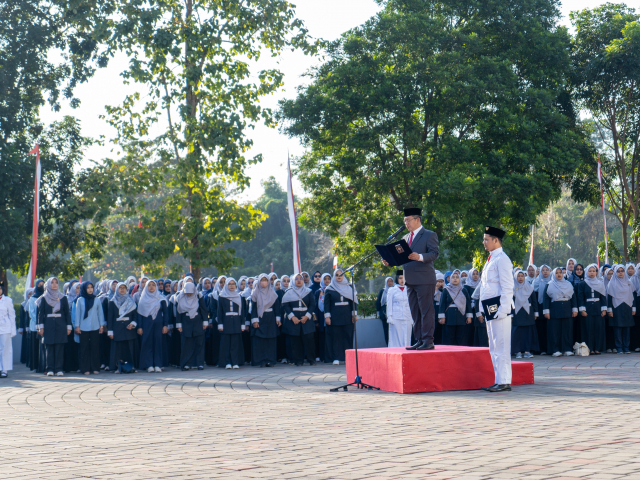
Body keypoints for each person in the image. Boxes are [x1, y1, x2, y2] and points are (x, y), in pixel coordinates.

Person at [382, 207, 439, 350]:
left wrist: (419, 257)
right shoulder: (405, 238)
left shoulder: (429, 235)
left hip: (425, 279)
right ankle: (419, 339)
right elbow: (401, 259)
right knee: (414, 311)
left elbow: (434, 254)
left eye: (408, 220)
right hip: (410, 280)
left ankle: (428, 340)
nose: (406, 224)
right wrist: (390, 261)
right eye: (404, 221)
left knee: (426, 310)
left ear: (417, 219)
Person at [479, 226, 514, 393]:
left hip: (499, 309)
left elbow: (507, 287)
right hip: (490, 308)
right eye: (484, 239)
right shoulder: (491, 259)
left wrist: (504, 308)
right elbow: (485, 286)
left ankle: (504, 380)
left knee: (501, 346)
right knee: (493, 346)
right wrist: (481, 306)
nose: (484, 242)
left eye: (487, 239)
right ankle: (498, 379)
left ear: (496, 240)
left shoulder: (503, 259)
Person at [37, 277, 72, 376]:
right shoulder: (44, 298)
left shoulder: (63, 297)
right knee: (49, 348)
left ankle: (59, 369)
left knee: (59, 348)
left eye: (56, 282)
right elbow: (41, 314)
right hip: (48, 325)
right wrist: (41, 327)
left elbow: (67, 313)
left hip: (61, 325)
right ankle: (50, 369)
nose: (54, 284)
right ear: (48, 285)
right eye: (52, 283)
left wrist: (68, 327)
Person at [323, 269, 358, 365]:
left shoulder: (349, 287)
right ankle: (337, 358)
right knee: (336, 338)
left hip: (347, 316)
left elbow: (353, 302)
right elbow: (326, 305)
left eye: (341, 274)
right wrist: (327, 317)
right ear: (334, 276)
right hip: (335, 317)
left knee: (348, 336)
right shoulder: (329, 288)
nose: (339, 276)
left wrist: (354, 314)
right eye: (337, 274)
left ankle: (348, 357)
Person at [282, 273, 316, 365]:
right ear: (293, 280)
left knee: (309, 340)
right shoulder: (288, 292)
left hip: (306, 319)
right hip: (294, 320)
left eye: (300, 278)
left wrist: (307, 316)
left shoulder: (308, 291)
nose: (299, 280)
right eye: (296, 279)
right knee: (295, 341)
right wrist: (292, 317)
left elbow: (312, 304)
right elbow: (285, 305)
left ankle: (311, 360)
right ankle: (298, 360)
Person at [543, 267, 578, 357]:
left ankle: (568, 349)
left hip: (567, 308)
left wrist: (575, 309)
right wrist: (546, 311)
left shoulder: (568, 284)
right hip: (555, 309)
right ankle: (555, 349)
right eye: (557, 273)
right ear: (554, 274)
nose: (559, 274)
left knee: (568, 330)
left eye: (560, 273)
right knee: (555, 331)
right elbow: (546, 298)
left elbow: (573, 297)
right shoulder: (550, 284)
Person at [74, 281, 107, 375]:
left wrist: (101, 326)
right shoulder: (80, 300)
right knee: (84, 348)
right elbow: (77, 314)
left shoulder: (96, 299)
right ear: (84, 289)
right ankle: (85, 369)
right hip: (83, 327)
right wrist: (77, 326)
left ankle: (95, 368)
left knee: (95, 348)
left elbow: (100, 313)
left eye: (91, 287)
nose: (90, 289)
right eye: (88, 287)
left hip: (95, 326)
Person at [250, 274, 281, 367]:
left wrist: (278, 319)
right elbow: (254, 308)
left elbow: (277, 308)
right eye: (262, 280)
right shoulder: (255, 293)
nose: (264, 282)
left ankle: (270, 360)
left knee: (270, 339)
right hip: (260, 318)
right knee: (260, 340)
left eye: (265, 280)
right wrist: (255, 320)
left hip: (271, 318)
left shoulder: (273, 293)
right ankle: (260, 360)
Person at [137, 280, 168, 373]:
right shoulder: (142, 300)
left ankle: (158, 364)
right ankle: (149, 364)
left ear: (156, 287)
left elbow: (166, 313)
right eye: (149, 285)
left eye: (153, 285)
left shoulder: (161, 298)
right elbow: (139, 314)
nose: (151, 287)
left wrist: (165, 325)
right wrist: (139, 327)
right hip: (146, 324)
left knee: (158, 343)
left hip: (158, 324)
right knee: (147, 343)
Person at [176, 282, 208, 370]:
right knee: (187, 344)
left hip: (198, 322)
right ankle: (186, 363)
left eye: (191, 292)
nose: (189, 294)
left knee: (199, 343)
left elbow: (204, 310)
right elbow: (178, 312)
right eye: (187, 292)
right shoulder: (180, 297)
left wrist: (205, 322)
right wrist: (179, 325)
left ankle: (199, 363)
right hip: (186, 323)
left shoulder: (199, 296)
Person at [108, 282, 139, 373]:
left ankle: (130, 366)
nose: (122, 289)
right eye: (120, 287)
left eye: (124, 288)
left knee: (129, 349)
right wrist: (110, 331)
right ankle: (118, 367)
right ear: (117, 289)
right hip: (117, 329)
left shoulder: (131, 301)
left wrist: (133, 324)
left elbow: (135, 316)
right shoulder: (112, 302)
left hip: (128, 329)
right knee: (118, 349)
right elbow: (110, 318)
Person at [607, 264, 636, 354]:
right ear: (615, 272)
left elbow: (633, 296)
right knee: (618, 328)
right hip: (616, 307)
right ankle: (619, 347)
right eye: (618, 271)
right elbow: (609, 297)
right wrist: (610, 309)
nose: (620, 273)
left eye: (622, 271)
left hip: (627, 307)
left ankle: (626, 347)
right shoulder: (612, 283)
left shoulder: (629, 282)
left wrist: (633, 308)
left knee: (627, 328)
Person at [578, 264, 607, 355]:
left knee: (598, 328)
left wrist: (604, 309)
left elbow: (603, 297)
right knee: (588, 328)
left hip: (598, 308)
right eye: (590, 271)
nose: (592, 273)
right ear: (587, 272)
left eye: (593, 271)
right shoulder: (583, 283)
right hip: (588, 308)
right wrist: (582, 310)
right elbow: (580, 297)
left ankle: (597, 348)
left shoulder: (600, 283)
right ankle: (589, 348)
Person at [438, 270, 473, 346]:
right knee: (449, 339)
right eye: (453, 277)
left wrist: (469, 317)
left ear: (459, 279)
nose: (455, 279)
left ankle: (461, 356)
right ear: (450, 279)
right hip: (449, 317)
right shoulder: (446, 290)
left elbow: (468, 304)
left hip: (461, 317)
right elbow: (442, 304)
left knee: (461, 339)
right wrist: (442, 317)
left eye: (457, 277)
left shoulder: (464, 290)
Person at [218, 278, 245, 368]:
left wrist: (242, 324)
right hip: (226, 322)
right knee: (226, 344)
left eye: (233, 284)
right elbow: (219, 312)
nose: (232, 286)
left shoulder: (239, 296)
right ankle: (227, 362)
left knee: (235, 343)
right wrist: (220, 324)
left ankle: (235, 362)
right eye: (229, 284)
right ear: (226, 285)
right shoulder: (221, 296)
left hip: (236, 321)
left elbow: (242, 311)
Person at [511, 271, 539, 358]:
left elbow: (534, 301)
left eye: (522, 276)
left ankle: (527, 351)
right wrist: (511, 315)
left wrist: (535, 313)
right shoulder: (512, 289)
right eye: (518, 276)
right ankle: (518, 351)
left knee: (528, 333)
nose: (520, 278)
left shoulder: (529, 287)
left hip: (528, 313)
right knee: (517, 333)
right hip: (517, 313)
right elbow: (510, 302)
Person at [386, 270, 413, 347]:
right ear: (397, 278)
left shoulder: (409, 289)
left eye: (404, 278)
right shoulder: (392, 290)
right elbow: (389, 303)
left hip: (407, 316)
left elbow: (411, 304)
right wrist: (389, 316)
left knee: (407, 337)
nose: (402, 280)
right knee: (395, 338)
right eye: (400, 278)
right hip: (395, 317)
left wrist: (412, 317)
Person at [533, 265, 552, 355]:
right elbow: (534, 297)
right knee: (541, 330)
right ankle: (542, 349)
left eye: (547, 270)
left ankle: (550, 348)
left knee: (550, 329)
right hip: (540, 307)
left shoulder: (553, 282)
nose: (545, 272)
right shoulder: (536, 282)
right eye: (543, 270)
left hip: (550, 308)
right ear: (540, 272)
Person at [28, 279, 45, 372]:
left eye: (43, 284)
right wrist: (38, 322)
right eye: (39, 284)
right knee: (35, 347)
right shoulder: (32, 298)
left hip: (44, 327)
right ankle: (35, 366)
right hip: (35, 326)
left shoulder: (46, 297)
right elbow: (32, 313)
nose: (41, 286)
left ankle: (42, 366)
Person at [0, 283, 16, 378]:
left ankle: (4, 370)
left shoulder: (8, 300)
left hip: (5, 327)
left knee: (5, 349)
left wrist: (13, 330)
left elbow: (12, 315)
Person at [314, 273, 331, 362]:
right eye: (325, 279)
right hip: (320, 318)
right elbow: (315, 306)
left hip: (329, 318)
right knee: (321, 338)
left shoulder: (332, 290)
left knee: (329, 337)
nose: (327, 280)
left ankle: (328, 356)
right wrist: (316, 320)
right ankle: (321, 356)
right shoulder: (318, 292)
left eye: (328, 279)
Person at [462, 268, 481, 346]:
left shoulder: (481, 285)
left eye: (477, 274)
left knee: (477, 330)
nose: (475, 276)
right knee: (469, 330)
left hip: (479, 311)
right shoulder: (466, 287)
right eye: (473, 274)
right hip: (469, 311)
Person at [376, 276, 395, 346]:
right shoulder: (383, 291)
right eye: (388, 281)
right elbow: (378, 302)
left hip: (394, 312)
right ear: (386, 282)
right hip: (384, 312)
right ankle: (388, 345)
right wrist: (378, 312)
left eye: (391, 281)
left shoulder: (395, 290)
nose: (390, 283)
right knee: (386, 330)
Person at [19, 288, 34, 366]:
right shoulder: (23, 304)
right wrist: (21, 328)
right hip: (25, 327)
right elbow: (22, 317)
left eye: (32, 294)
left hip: (32, 325)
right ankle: (25, 359)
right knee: (25, 344)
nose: (31, 295)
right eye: (29, 294)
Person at [433, 273, 445, 344]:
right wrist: (436, 289)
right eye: (438, 281)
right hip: (435, 312)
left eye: (441, 281)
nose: (440, 283)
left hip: (443, 312)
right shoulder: (432, 290)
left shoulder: (445, 290)